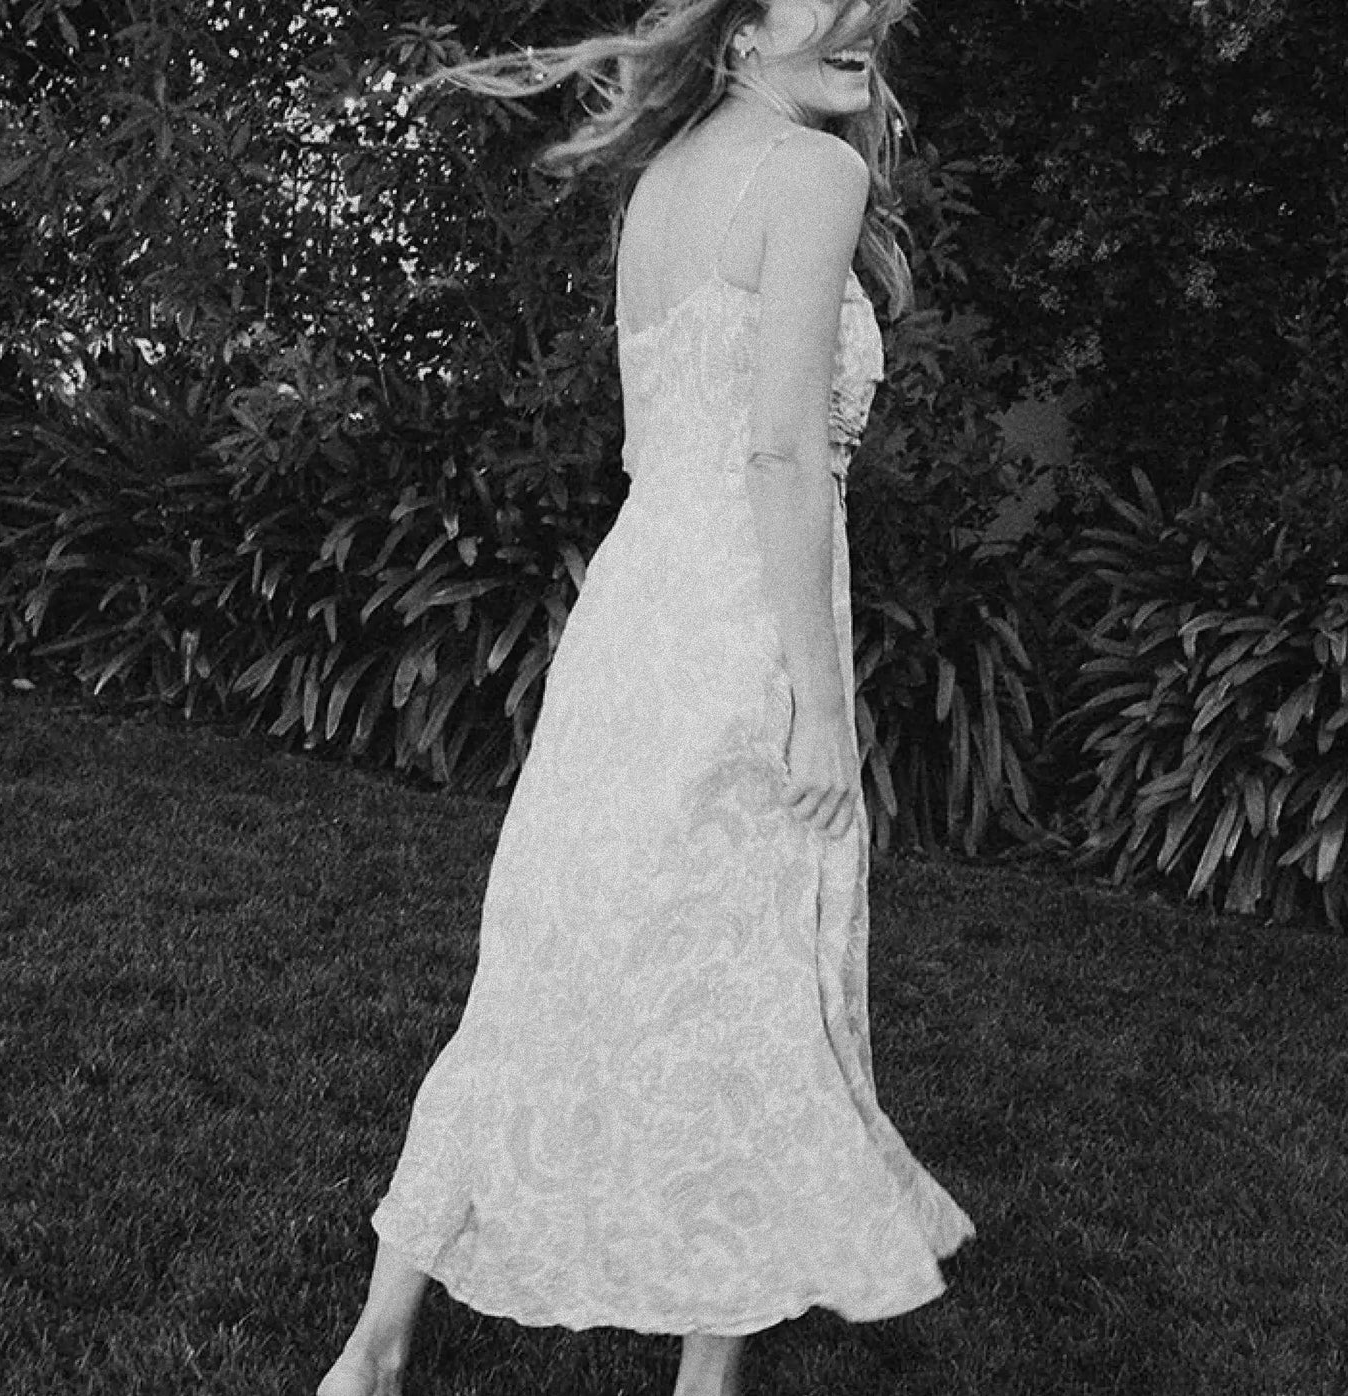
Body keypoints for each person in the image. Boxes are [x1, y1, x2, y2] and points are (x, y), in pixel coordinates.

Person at [319, 4, 972, 1393]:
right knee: (749, 987)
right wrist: (818, 704)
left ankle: (372, 1351)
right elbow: (781, 456)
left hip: (634, 614)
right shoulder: (814, 173)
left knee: (546, 966)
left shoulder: (664, 182)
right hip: (743, 625)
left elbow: (648, 445)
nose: (862, 19)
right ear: (743, 26)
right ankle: (701, 1383)